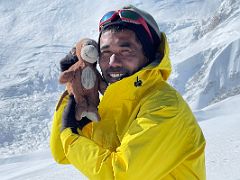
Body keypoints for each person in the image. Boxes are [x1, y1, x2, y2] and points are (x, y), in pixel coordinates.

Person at [50, 5, 206, 179]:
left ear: (149, 55)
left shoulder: (165, 107)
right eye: (106, 52)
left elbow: (120, 174)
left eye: (125, 50)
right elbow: (62, 153)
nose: (113, 61)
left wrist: (69, 133)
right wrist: (73, 95)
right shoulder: (116, 106)